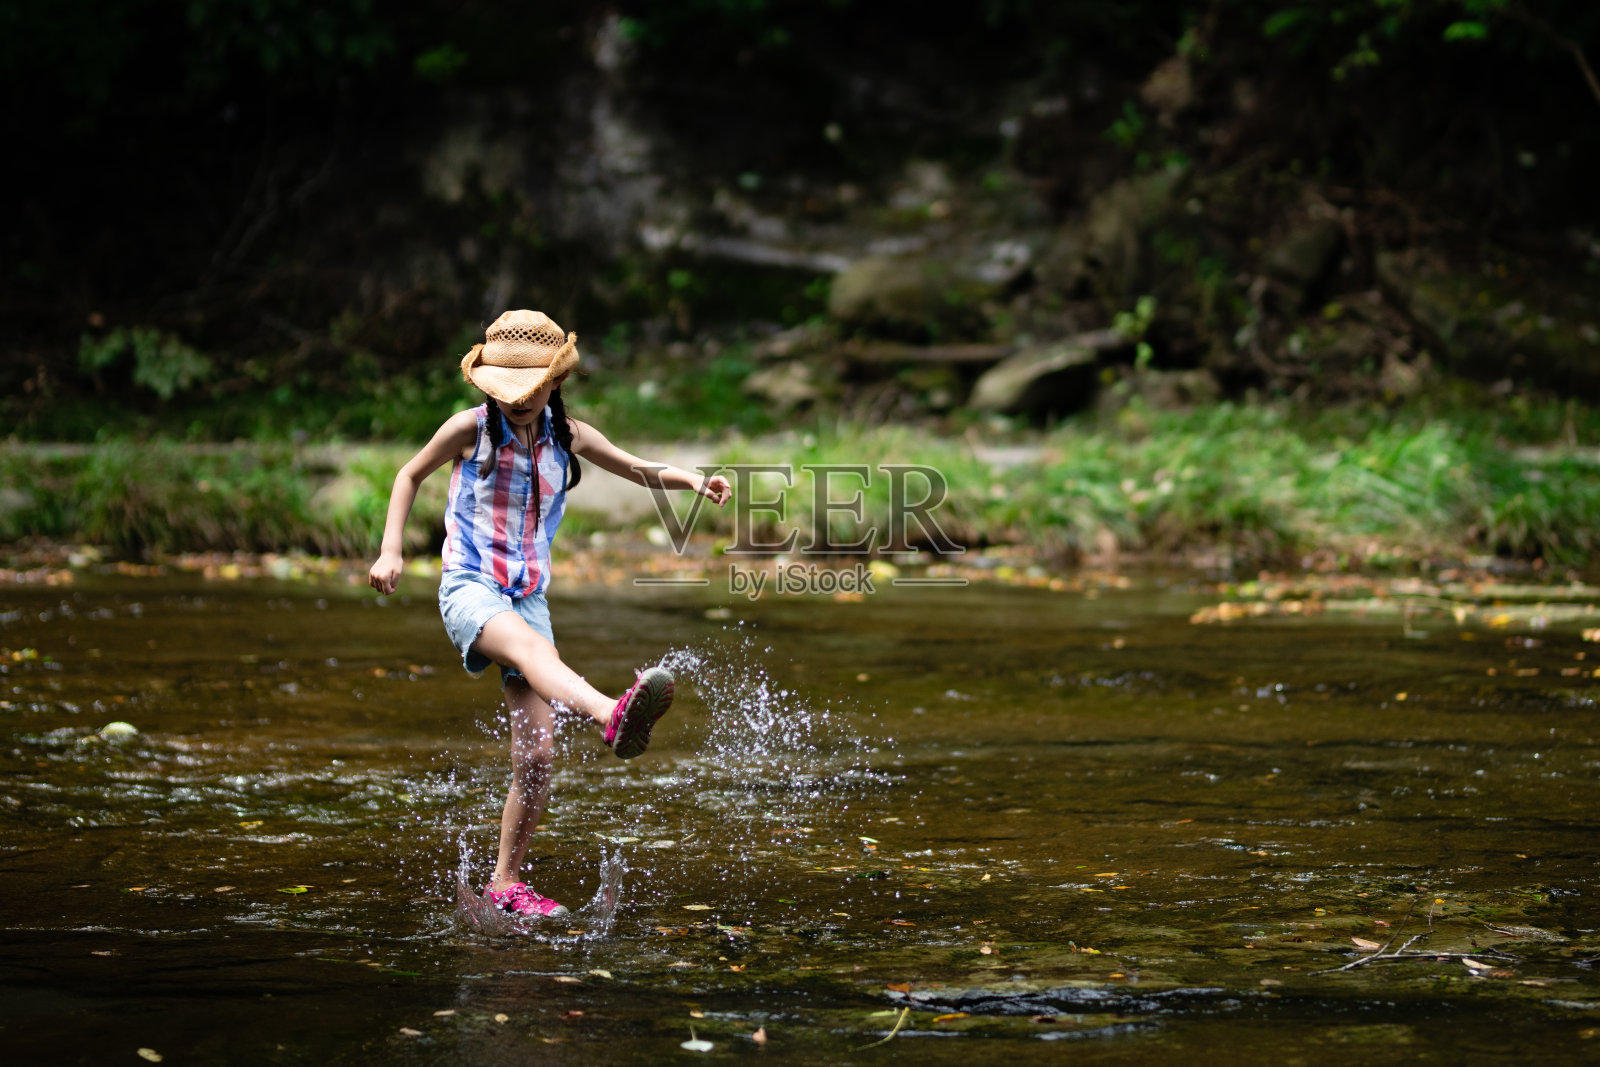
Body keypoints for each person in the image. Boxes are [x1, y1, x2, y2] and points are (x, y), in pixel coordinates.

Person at [367, 309, 732, 918]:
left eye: (532, 390)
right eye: (507, 391)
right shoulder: (469, 429)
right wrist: (390, 549)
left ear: (555, 385)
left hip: (527, 593)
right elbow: (408, 475)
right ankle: (611, 714)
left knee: (536, 756)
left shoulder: (570, 437)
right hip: (471, 587)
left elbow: (636, 468)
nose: (519, 401)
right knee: (538, 655)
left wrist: (691, 480)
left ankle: (504, 882)